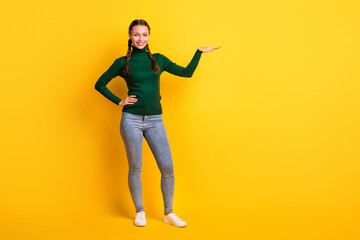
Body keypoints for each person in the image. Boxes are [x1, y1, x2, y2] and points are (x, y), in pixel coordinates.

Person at [94, 19, 220, 227]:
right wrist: (120, 101)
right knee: (135, 167)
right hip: (131, 120)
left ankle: (168, 213)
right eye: (136, 35)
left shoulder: (159, 60)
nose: (140, 38)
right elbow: (99, 84)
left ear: (149, 36)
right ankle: (140, 211)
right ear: (130, 36)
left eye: (144, 34)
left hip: (155, 120)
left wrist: (198, 52)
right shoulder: (121, 62)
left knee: (167, 167)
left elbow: (186, 73)